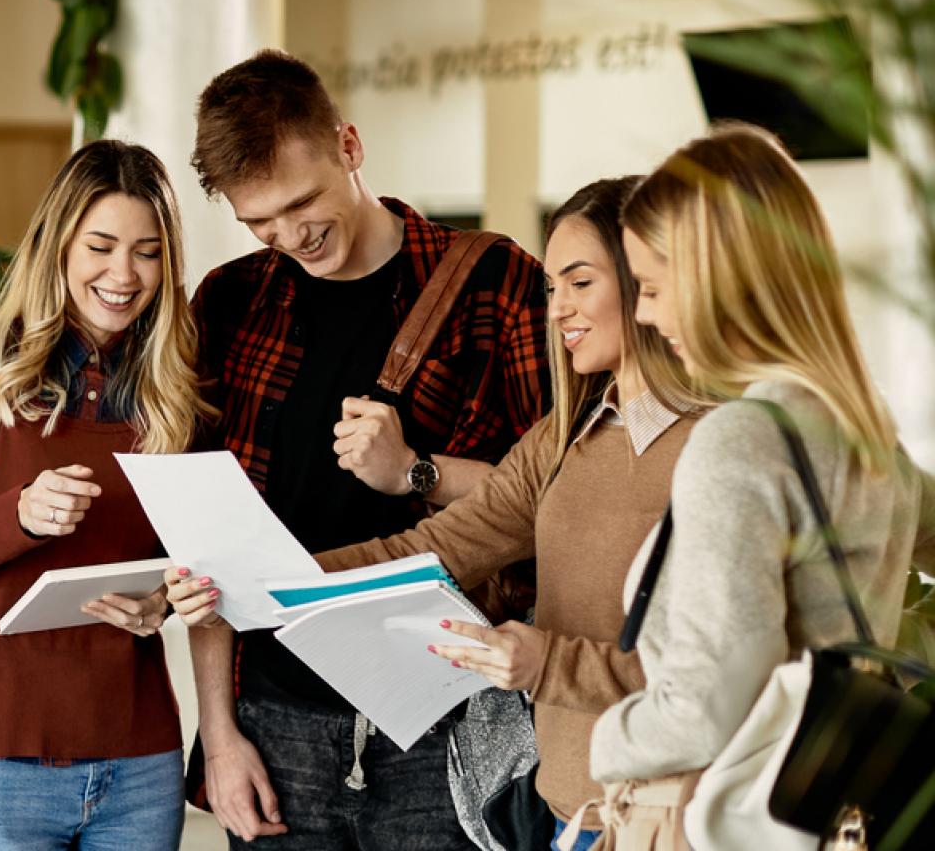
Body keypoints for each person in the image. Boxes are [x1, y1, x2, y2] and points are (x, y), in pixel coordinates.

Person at [167, 49, 550, 850]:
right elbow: (208, 542)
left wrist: (416, 472)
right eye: (259, 221)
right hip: (275, 716)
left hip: (446, 711)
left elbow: (556, 501)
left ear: (350, 145)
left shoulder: (498, 285)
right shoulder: (232, 301)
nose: (289, 235)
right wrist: (220, 733)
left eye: (302, 201)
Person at [276, 176, 710, 851]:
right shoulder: (562, 439)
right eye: (551, 288)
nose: (558, 307)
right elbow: (428, 552)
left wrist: (545, 664)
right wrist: (255, 583)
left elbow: (720, 669)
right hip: (568, 815)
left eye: (580, 282)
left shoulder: (725, 446)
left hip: (683, 820)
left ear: (648, 279)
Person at [585, 124, 924, 837]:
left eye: (650, 287)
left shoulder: (741, 440)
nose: (645, 314)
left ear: (718, 281)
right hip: (833, 802)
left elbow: (708, 706)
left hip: (721, 810)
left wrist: (607, 741)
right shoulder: (865, 428)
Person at [0, 139, 214, 851]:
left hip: (139, 755)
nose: (123, 274)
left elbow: (183, 557)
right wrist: (19, 516)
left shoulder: (176, 387)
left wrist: (161, 599)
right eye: (100, 245)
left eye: (147, 251)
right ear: (57, 243)